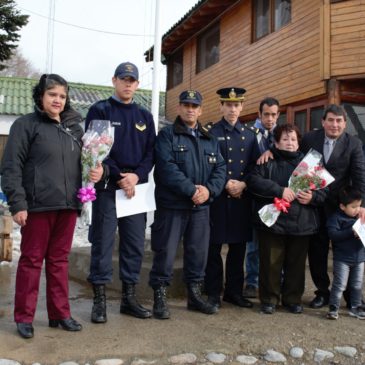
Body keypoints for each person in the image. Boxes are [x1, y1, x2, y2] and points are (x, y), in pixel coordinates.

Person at [1, 74, 102, 339]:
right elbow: (11, 167)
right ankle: (24, 317)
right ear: (41, 96)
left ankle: (60, 314)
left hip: (68, 205)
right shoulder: (26, 125)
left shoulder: (75, 129)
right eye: (52, 95)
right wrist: (18, 204)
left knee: (59, 261)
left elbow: (87, 163)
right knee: (32, 261)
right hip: (37, 207)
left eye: (62, 96)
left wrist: (97, 171)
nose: (57, 100)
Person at [86, 62, 156, 323]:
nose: (128, 83)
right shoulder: (100, 110)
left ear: (137, 84)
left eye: (132, 80)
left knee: (134, 245)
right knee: (102, 244)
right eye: (123, 78)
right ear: (114, 80)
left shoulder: (144, 116)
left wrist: (136, 176)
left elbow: (151, 152)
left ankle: (129, 298)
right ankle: (100, 301)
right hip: (108, 188)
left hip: (135, 191)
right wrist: (119, 176)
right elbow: (95, 150)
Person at [149, 90, 226, 319]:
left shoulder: (209, 138)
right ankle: (160, 298)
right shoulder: (166, 135)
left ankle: (195, 295)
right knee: (165, 251)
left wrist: (208, 191)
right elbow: (166, 169)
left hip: (201, 207)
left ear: (201, 110)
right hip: (173, 206)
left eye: (194, 106)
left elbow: (220, 169)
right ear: (179, 108)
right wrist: (192, 190)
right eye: (186, 105)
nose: (190, 109)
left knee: (198, 253)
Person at [247, 124, 326, 314]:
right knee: (270, 263)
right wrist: (279, 190)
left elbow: (325, 191)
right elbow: (254, 182)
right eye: (285, 139)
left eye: (293, 139)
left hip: (301, 223)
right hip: (273, 222)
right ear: (276, 142)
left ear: (298, 142)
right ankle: (269, 299)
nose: (289, 143)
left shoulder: (310, 164)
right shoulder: (266, 161)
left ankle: (292, 299)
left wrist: (312, 197)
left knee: (296, 265)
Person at [301, 104, 365, 309]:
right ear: (323, 122)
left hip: (342, 208)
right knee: (317, 250)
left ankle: (350, 295)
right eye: (330, 120)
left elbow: (360, 176)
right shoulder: (310, 139)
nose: (334, 125)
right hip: (315, 205)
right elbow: (298, 164)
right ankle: (322, 293)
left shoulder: (353, 143)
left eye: (339, 121)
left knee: (345, 250)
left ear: (345, 123)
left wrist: (361, 205)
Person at [204, 87, 260, 308]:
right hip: (217, 198)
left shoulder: (249, 135)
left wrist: (244, 183)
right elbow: (205, 163)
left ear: (242, 107)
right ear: (221, 106)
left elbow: (256, 166)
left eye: (236, 105)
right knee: (214, 248)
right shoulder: (210, 132)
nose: (232, 109)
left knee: (238, 249)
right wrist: (223, 183)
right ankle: (213, 292)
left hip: (240, 199)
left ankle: (234, 292)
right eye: (228, 105)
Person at [244, 97, 280, 298]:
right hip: (255, 195)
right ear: (259, 114)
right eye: (266, 114)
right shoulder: (249, 134)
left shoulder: (282, 134)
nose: (270, 118)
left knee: (278, 242)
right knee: (254, 243)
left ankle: (278, 280)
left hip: (277, 196)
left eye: (274, 114)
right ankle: (252, 281)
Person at [326, 186, 365, 320]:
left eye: (359, 206)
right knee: (340, 284)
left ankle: (355, 307)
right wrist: (351, 232)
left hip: (360, 258)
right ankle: (333, 308)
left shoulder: (361, 217)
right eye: (353, 207)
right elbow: (333, 235)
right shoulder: (335, 218)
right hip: (342, 258)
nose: (357, 209)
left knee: (357, 284)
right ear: (342, 206)